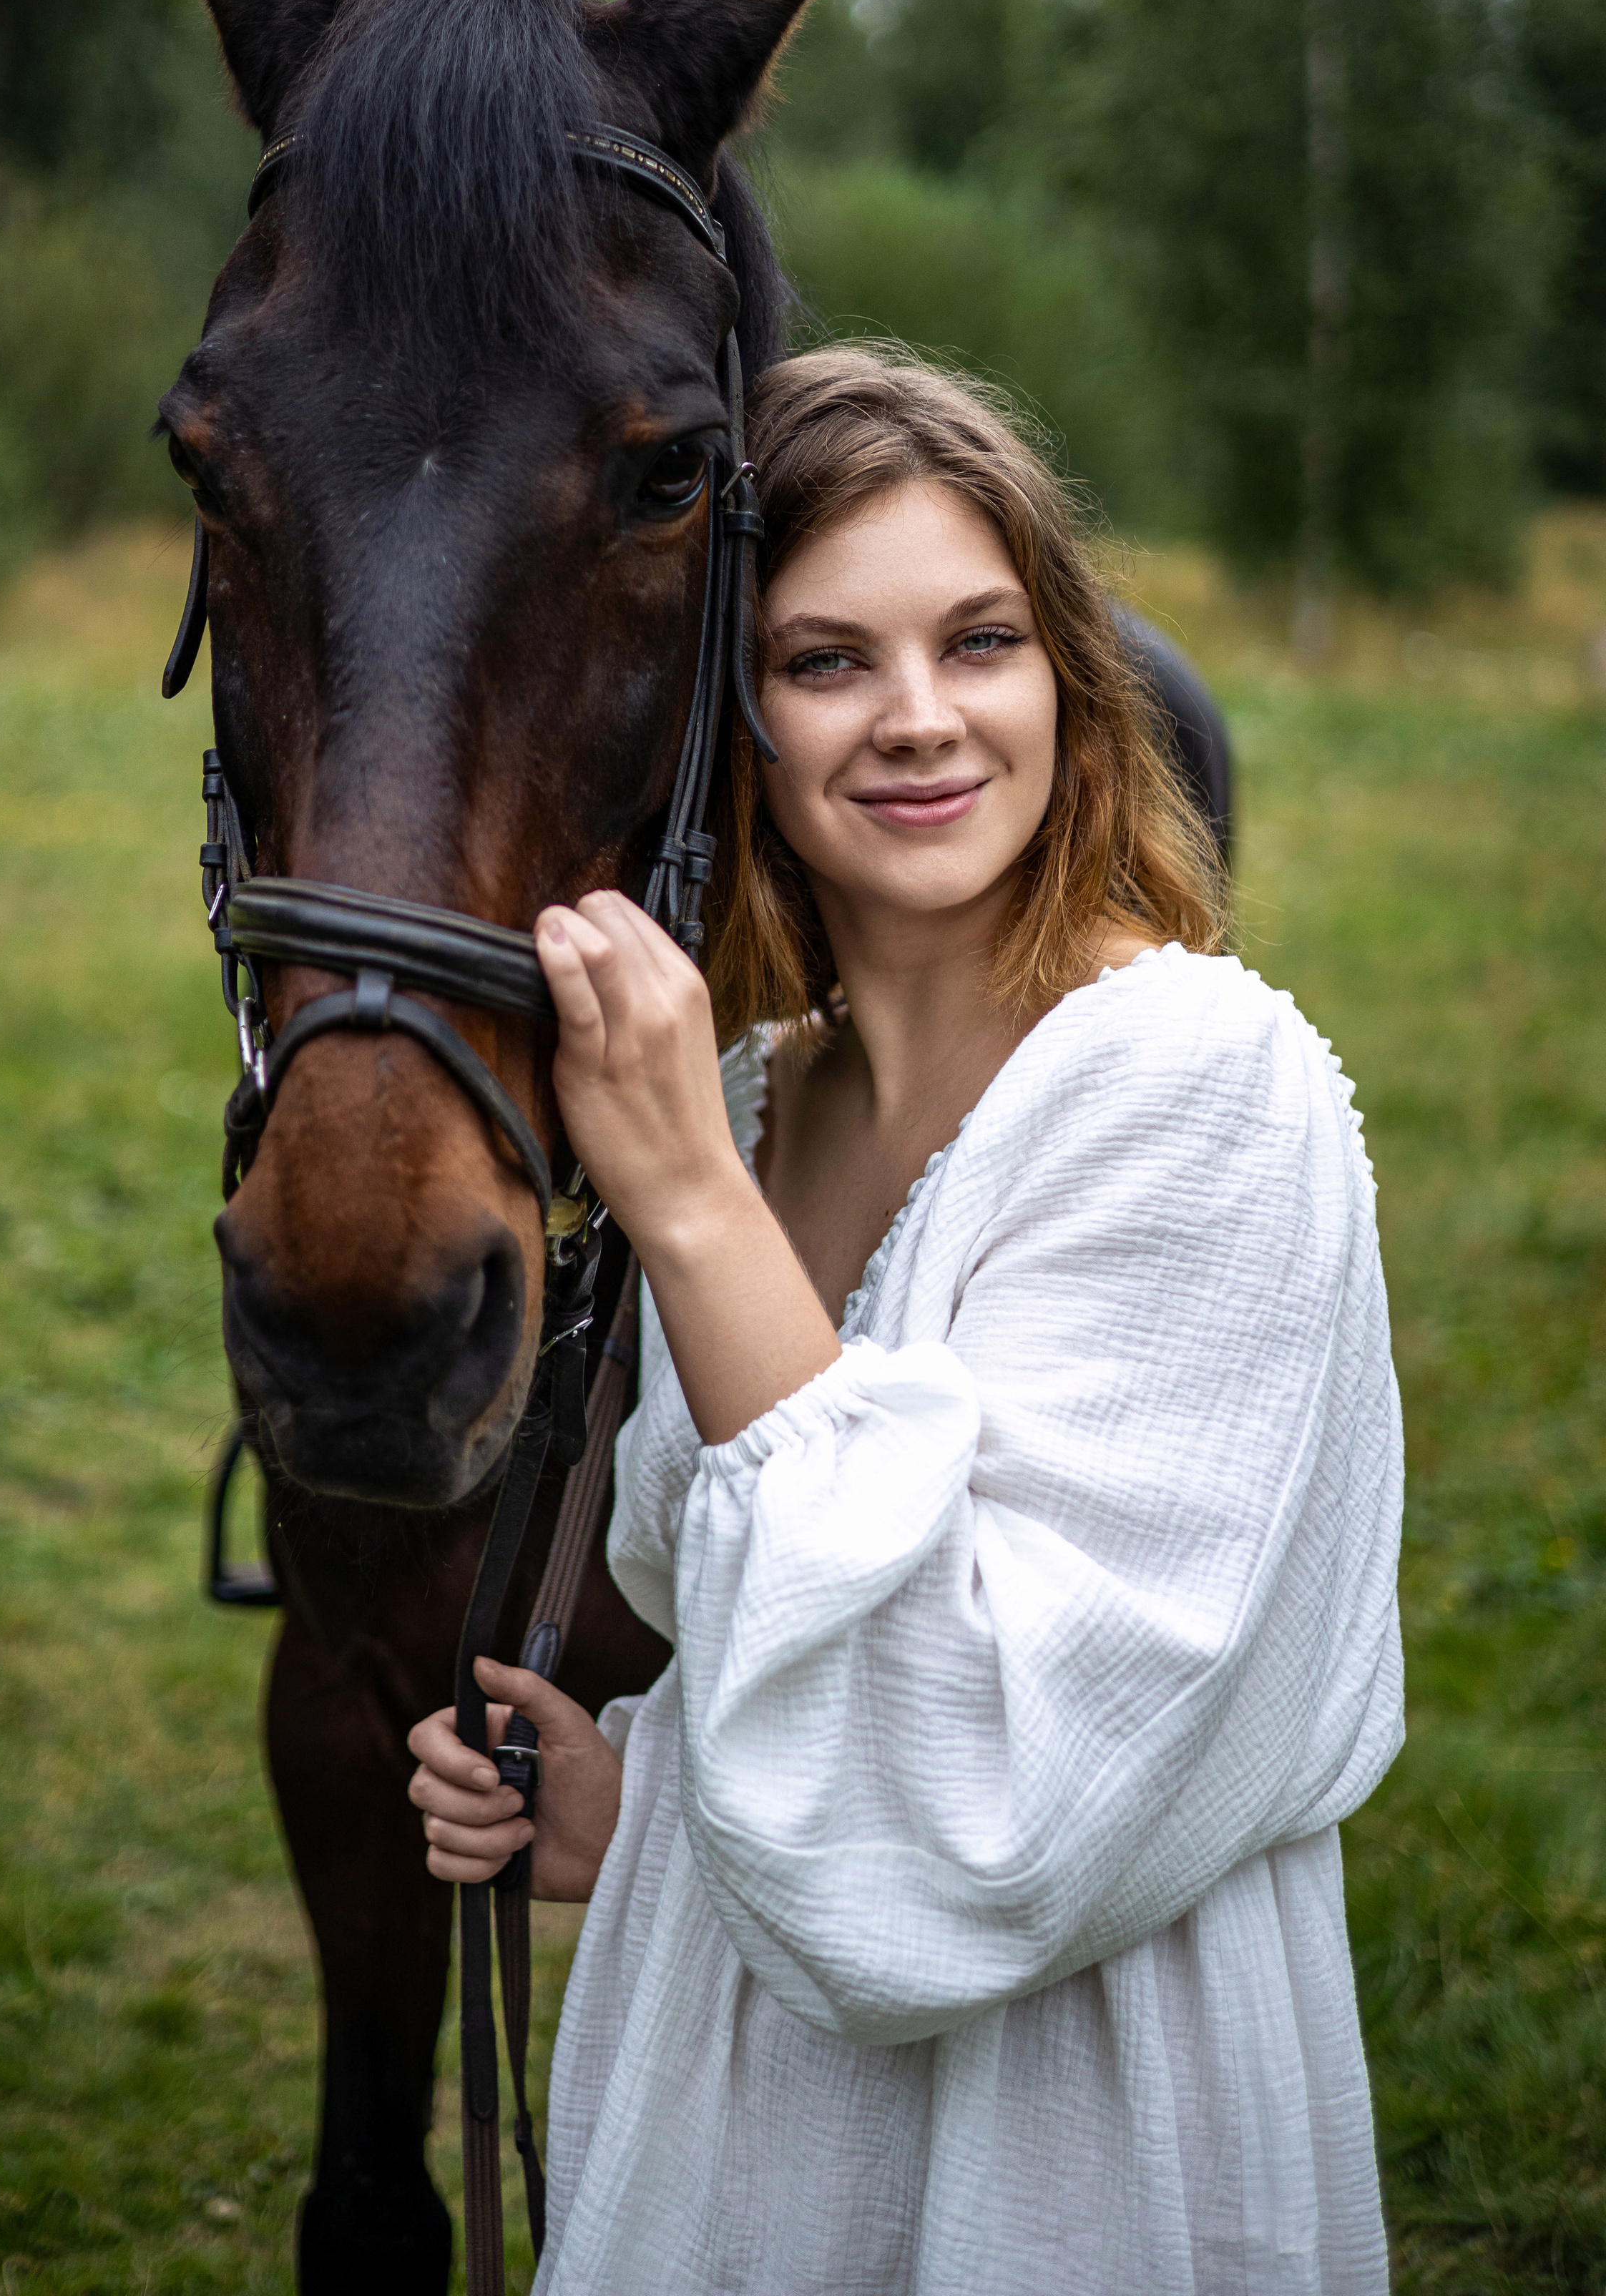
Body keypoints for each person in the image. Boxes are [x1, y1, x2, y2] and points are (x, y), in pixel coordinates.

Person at [408, 345, 1404, 2296]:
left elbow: (999, 1806)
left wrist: (689, 1205)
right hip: (734, 2127)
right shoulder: (762, 1096)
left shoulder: (1203, 1089)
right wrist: (645, 1802)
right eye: (826, 660)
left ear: (1066, 679)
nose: (923, 718)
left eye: (981, 641)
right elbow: (799, 1651)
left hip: (1072, 2133)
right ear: (728, 721)